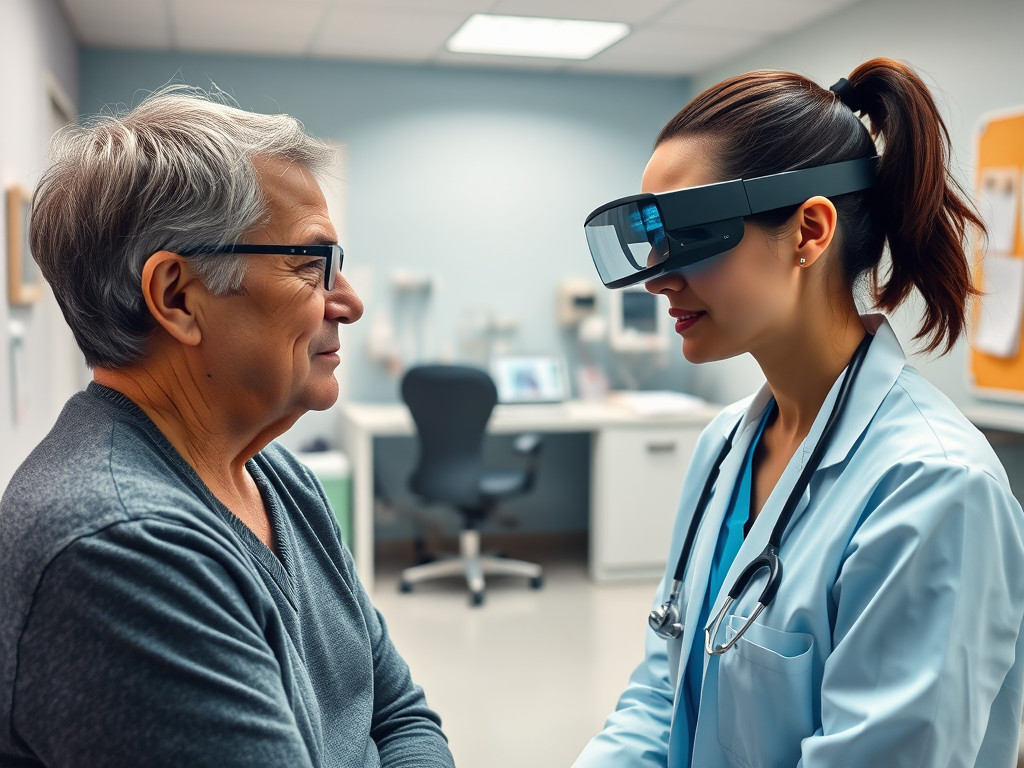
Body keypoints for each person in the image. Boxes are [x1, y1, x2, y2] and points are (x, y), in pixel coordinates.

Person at [574, 59, 1024, 768]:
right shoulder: (725, 447)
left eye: (689, 234)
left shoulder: (933, 489)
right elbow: (665, 692)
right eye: (652, 240)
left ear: (810, 232)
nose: (658, 278)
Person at [0, 89, 455, 768]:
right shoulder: (121, 550)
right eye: (311, 263)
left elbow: (399, 714)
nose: (351, 302)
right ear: (178, 297)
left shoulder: (274, 477)